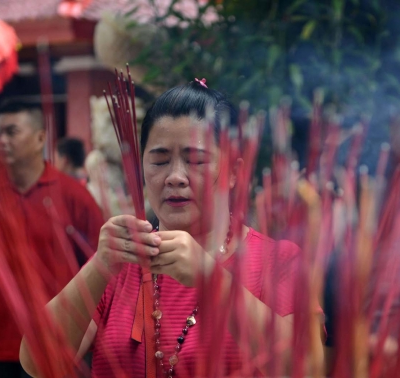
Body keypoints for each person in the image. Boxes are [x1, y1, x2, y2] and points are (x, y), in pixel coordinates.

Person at [20, 81, 324, 377]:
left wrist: (211, 279)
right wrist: (100, 265)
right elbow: (37, 363)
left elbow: (308, 368)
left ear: (234, 172)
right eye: (160, 161)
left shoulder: (276, 261)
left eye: (195, 160)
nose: (175, 177)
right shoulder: (123, 262)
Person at [0, 101, 104, 378]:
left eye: (11, 132)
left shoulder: (73, 196)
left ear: (40, 138)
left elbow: (98, 266)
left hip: (56, 338)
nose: (2, 140)